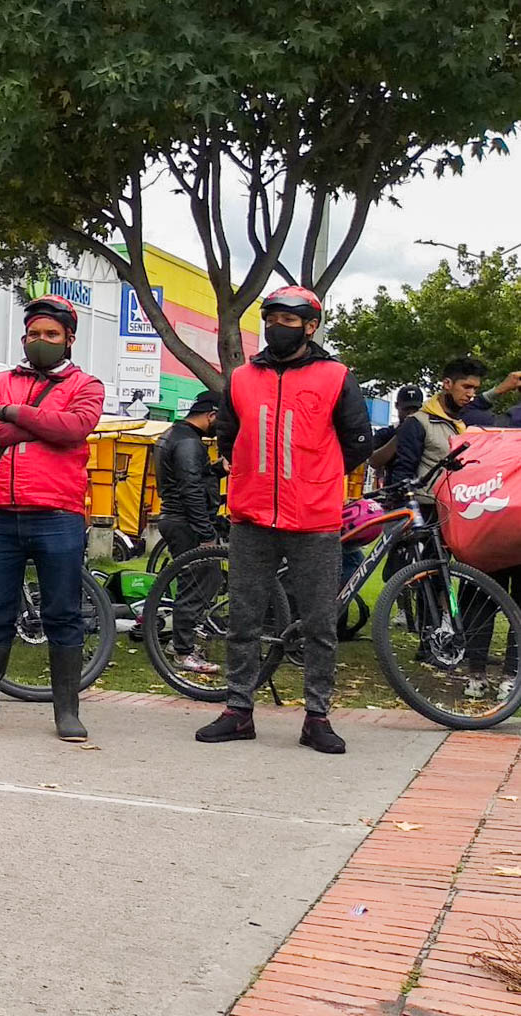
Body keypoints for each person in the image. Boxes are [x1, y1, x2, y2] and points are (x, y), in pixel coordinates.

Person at [197, 286, 372, 754]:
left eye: (289, 320)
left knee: (319, 623)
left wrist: (319, 477)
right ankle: (238, 711)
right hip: (251, 514)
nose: (277, 326)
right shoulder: (240, 379)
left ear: (310, 327)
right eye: (272, 317)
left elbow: (358, 443)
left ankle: (317, 716)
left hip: (314, 518)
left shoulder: (336, 376)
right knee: (243, 618)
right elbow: (229, 437)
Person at [0, 295, 105, 742]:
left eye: (51, 335)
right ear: (24, 337)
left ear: (69, 340)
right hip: (0, 516)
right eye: (34, 334)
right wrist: (44, 424)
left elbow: (75, 428)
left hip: (58, 515)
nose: (41, 341)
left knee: (62, 613)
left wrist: (13, 414)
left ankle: (66, 712)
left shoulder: (88, 385)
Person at [153, 392, 224, 676]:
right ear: (211, 415)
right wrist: (206, 533)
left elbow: (187, 478)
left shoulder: (174, 435)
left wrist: (216, 471)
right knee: (198, 583)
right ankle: (183, 651)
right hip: (186, 522)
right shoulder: (188, 443)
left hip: (176, 518)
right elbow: (190, 489)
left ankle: (182, 643)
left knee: (204, 579)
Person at [388, 356, 482, 500]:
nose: (471, 394)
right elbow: (402, 475)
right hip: (427, 510)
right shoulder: (417, 422)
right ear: (447, 383)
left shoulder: (466, 423)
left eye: (475, 389)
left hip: (460, 507)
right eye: (466, 387)